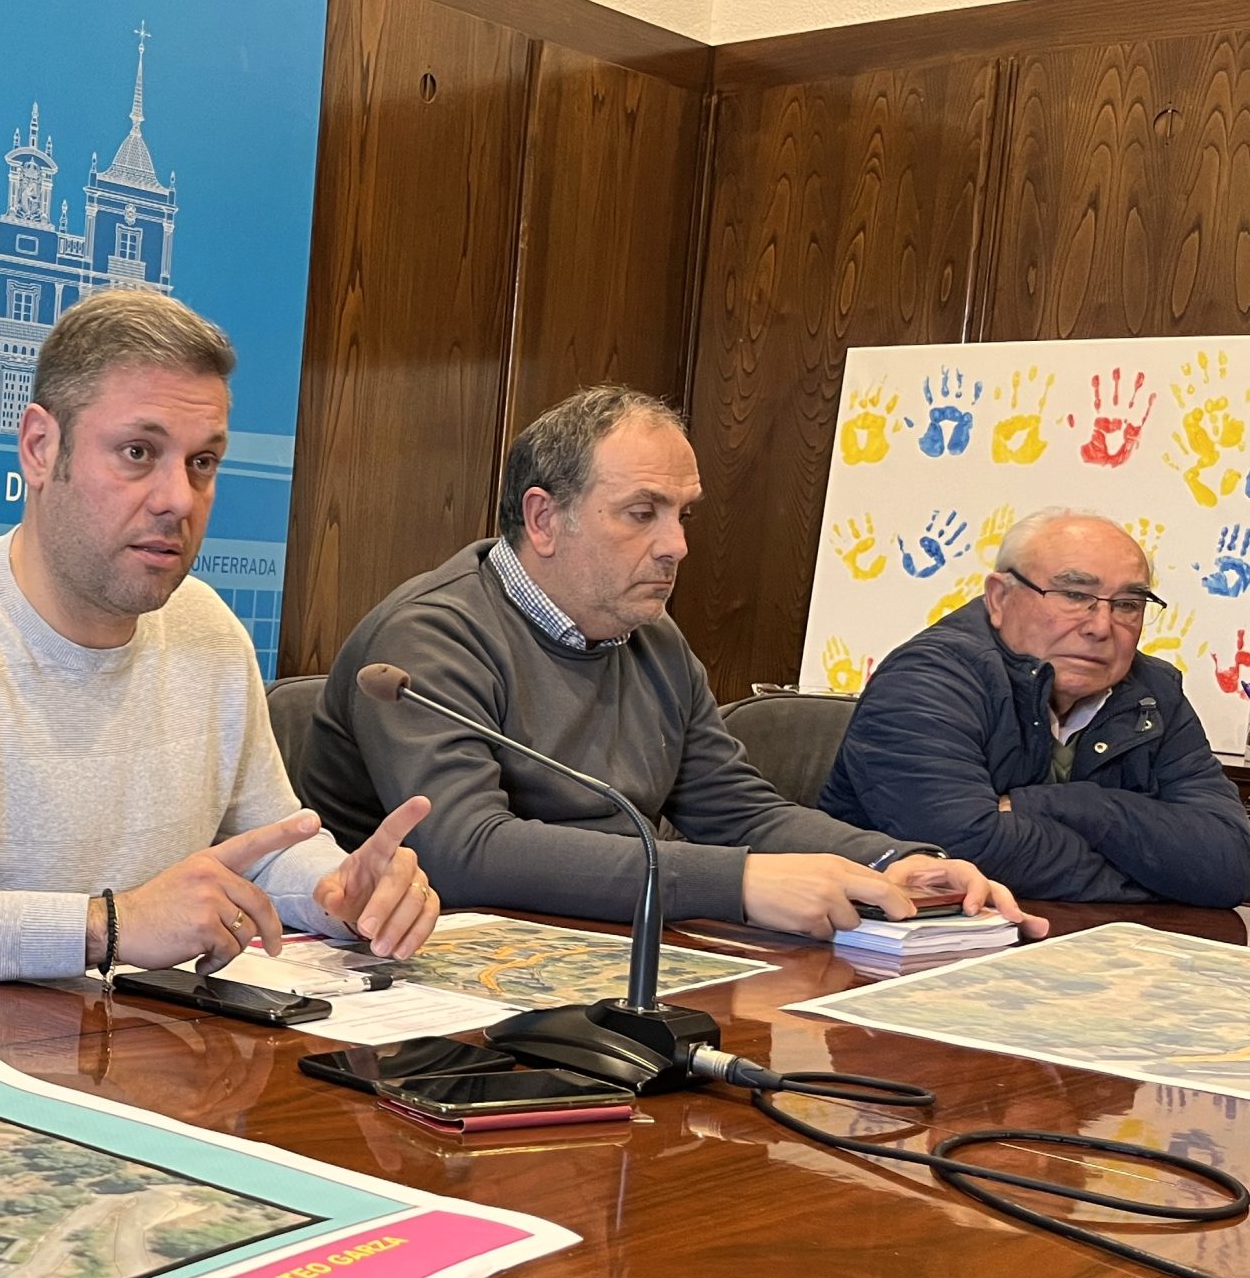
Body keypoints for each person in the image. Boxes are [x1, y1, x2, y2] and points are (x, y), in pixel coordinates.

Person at [0, 290, 441, 981]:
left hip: (152, 1053)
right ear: (41, 449)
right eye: (139, 452)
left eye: (202, 462)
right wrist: (104, 925)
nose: (178, 498)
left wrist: (337, 890)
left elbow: (262, 846)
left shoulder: (208, 630)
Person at [302, 385, 1036, 940]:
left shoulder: (651, 635)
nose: (677, 545)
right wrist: (740, 882)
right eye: (642, 512)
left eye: (684, 513)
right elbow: (464, 852)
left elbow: (735, 808)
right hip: (414, 967)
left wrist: (888, 862)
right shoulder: (429, 635)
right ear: (543, 518)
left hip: (598, 947)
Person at [821, 510, 1250, 904]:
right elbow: (967, 850)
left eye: (1127, 605)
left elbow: (1232, 863)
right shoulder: (928, 678)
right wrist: (1163, 879)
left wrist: (1067, 805)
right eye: (1073, 595)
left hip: (1088, 950)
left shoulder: (1153, 692)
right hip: (901, 946)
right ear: (999, 598)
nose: (1101, 626)